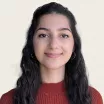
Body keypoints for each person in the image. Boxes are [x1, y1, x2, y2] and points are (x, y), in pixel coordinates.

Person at [0, 2, 103, 104]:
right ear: (32, 42)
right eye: (43, 35)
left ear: (74, 45)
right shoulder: (8, 100)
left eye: (63, 35)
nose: (53, 45)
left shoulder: (93, 99)